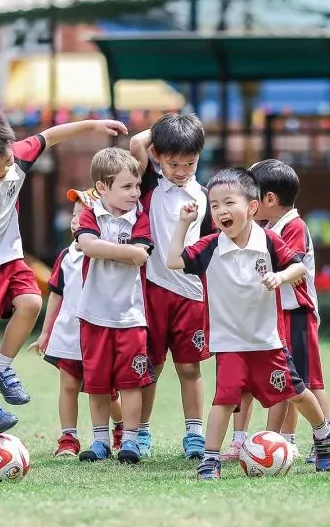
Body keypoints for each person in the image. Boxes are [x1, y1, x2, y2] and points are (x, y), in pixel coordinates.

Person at [0, 106, 127, 433]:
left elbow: (51, 136)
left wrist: (94, 124)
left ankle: (1, 368)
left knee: (31, 304)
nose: (4, 169)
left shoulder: (15, 156)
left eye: (6, 162)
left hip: (9, 255)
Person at [165, 167, 330, 480]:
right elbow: (173, 261)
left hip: (267, 342)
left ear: (253, 206)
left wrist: (279, 276)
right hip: (229, 344)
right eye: (214, 205)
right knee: (223, 401)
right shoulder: (210, 247)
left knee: (296, 393)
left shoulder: (268, 241)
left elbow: (298, 269)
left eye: (229, 202)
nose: (221, 211)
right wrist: (182, 223)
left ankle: (324, 435)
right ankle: (210, 459)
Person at [220, 160, 330, 466]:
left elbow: (288, 269)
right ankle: (272, 440)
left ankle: (322, 440)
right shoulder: (267, 227)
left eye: (250, 194)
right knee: (280, 380)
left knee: (306, 383)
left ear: (268, 200)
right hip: (271, 316)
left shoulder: (293, 227)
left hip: (296, 315)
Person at [128, 113, 211, 459]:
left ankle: (194, 434)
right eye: (173, 162)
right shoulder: (149, 184)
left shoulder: (208, 195)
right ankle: (141, 433)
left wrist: (187, 133)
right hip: (153, 290)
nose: (181, 170)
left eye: (189, 162)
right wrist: (170, 129)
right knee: (151, 366)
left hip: (192, 293)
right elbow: (136, 143)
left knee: (190, 368)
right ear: (158, 156)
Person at [73, 147, 155, 464]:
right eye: (126, 187)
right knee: (96, 383)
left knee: (131, 382)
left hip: (131, 316)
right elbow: (88, 245)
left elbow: (142, 253)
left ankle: (131, 441)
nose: (135, 193)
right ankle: (99, 441)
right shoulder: (90, 214)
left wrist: (115, 251)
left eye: (136, 186)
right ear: (103, 188)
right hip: (93, 314)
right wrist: (127, 253)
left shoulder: (141, 218)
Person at [29, 187, 124, 457]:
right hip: (68, 335)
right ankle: (68, 439)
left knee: (107, 391)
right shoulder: (66, 257)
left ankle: (118, 427)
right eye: (74, 214)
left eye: (83, 215)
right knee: (68, 386)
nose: (75, 220)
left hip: (101, 334)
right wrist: (46, 333)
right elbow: (56, 296)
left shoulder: (108, 255)